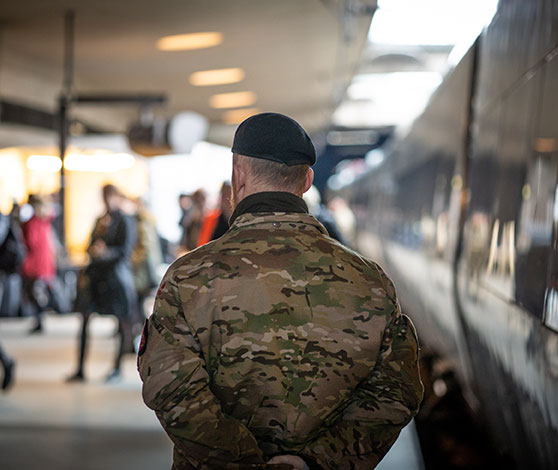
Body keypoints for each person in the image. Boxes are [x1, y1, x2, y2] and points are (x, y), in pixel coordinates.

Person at [138, 113, 423, 470]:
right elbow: (395, 392)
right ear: (307, 180)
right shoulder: (370, 281)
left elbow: (172, 389)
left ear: (237, 175)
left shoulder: (187, 278)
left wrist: (245, 462)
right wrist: (314, 462)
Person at [67, 184, 137, 382]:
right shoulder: (100, 220)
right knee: (85, 318)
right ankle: (80, 368)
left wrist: (106, 253)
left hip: (116, 278)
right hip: (97, 277)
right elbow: (90, 244)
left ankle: (116, 368)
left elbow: (125, 251)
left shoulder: (124, 220)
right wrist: (95, 250)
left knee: (122, 322)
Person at [20, 195, 56, 333]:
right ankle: (40, 318)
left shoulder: (34, 223)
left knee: (36, 292)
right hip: (40, 263)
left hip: (36, 264)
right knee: (36, 292)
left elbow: (30, 242)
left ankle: (40, 318)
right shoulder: (44, 222)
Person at [197, 181, 233, 246]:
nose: (227, 199)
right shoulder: (211, 219)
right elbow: (202, 245)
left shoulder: (240, 219)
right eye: (224, 195)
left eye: (229, 194)